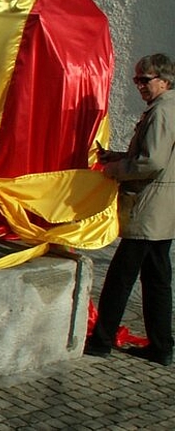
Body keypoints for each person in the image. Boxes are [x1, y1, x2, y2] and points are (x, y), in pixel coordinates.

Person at [85, 53, 174, 367]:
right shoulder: (167, 108)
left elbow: (152, 161)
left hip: (148, 209)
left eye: (145, 79)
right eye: (137, 79)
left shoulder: (163, 111)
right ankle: (162, 346)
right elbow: (152, 155)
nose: (139, 85)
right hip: (161, 211)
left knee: (121, 278)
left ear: (164, 79)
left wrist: (114, 170)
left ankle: (101, 341)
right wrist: (116, 156)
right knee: (157, 280)